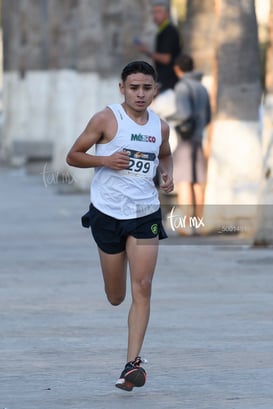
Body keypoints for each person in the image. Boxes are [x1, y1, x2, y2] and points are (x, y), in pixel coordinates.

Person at [66, 61, 173, 391]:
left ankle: (132, 365)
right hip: (108, 214)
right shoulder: (106, 119)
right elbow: (73, 155)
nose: (140, 94)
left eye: (146, 88)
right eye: (134, 88)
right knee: (116, 296)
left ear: (155, 90)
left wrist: (166, 173)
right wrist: (104, 160)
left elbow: (165, 154)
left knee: (143, 285)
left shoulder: (161, 126)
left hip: (145, 214)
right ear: (122, 89)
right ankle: (117, 298)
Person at [172, 54, 211, 235]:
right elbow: (208, 117)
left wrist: (170, 118)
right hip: (198, 138)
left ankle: (186, 223)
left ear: (177, 69)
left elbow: (184, 114)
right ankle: (198, 223)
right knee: (197, 182)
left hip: (186, 140)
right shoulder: (202, 87)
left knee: (184, 181)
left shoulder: (181, 87)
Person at [135, 0, 181, 95]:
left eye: (158, 12)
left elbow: (166, 58)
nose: (155, 15)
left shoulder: (169, 31)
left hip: (169, 82)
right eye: (154, 12)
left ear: (167, 14)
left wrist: (147, 52)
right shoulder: (162, 31)